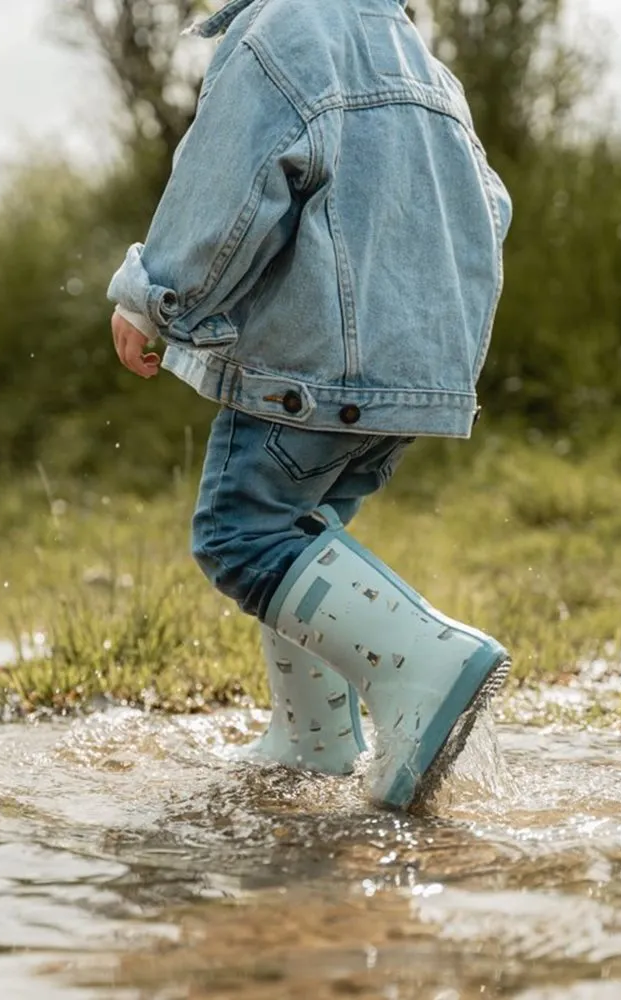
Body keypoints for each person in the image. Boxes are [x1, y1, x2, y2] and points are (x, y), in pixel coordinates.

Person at [107, 0, 513, 811]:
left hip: (310, 366)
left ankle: (424, 664)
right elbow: (489, 207)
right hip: (412, 370)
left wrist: (155, 297)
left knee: (241, 534)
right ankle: (314, 738)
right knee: (304, 531)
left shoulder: (282, 32)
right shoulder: (422, 65)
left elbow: (232, 185)